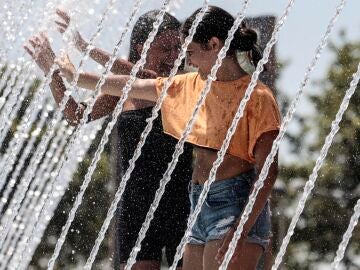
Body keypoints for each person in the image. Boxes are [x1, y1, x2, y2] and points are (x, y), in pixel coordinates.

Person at [54, 5, 281, 270]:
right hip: (198, 203)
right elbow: (132, 84)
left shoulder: (257, 97)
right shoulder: (191, 86)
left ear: (214, 44)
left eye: (191, 52)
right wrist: (74, 76)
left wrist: (241, 228)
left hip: (234, 202)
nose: (187, 61)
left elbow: (268, 172)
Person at [25, 9, 193, 270]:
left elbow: (145, 78)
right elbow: (76, 115)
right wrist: (52, 71)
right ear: (142, 46)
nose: (175, 56)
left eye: (178, 48)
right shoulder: (121, 89)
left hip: (182, 203)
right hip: (136, 205)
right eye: (166, 49)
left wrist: (83, 46)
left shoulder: (184, 84)